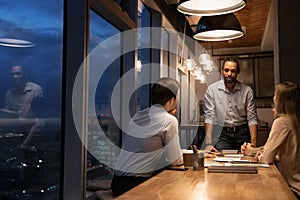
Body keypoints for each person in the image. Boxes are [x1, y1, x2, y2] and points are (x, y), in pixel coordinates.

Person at [111, 77, 184, 196]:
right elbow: (175, 161)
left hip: (116, 181)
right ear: (172, 99)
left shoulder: (138, 116)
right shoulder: (169, 121)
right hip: (134, 185)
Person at [241, 81, 300, 199]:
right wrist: (253, 151)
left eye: (275, 95)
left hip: (294, 187)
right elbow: (288, 153)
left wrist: (259, 155)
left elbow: (266, 159)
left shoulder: (282, 122)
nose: (273, 98)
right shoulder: (295, 120)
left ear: (280, 100)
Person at [204, 58, 258, 152]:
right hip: (222, 134)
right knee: (223, 162)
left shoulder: (247, 91)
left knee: (244, 162)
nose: (229, 74)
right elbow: (209, 117)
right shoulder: (212, 90)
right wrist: (208, 144)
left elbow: (252, 118)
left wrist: (253, 144)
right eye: (226, 70)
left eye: (233, 71)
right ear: (221, 71)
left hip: (242, 132)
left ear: (238, 72)